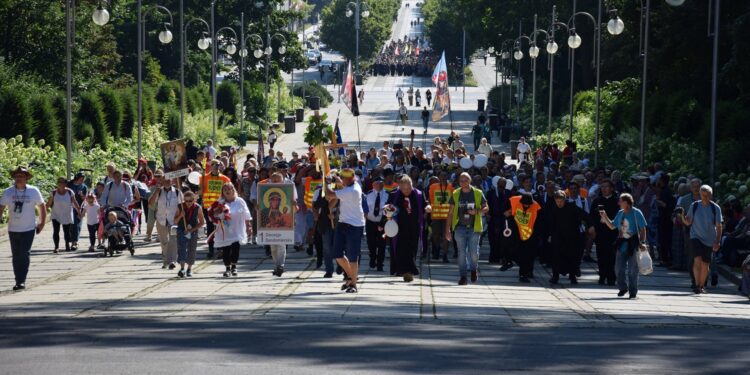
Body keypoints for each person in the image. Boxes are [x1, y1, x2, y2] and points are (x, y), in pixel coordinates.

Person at [0, 166, 46, 291]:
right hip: (13, 228)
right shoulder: (8, 192)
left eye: (22, 176)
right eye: (17, 176)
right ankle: (17, 279)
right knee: (16, 255)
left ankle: (22, 280)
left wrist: (41, 223)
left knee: (24, 254)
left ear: (26, 178)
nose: (19, 178)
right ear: (14, 177)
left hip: (28, 228)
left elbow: (42, 206)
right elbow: (1, 208)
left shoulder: (33, 191)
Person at [599, 193, 648, 299]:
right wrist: (605, 216)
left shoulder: (636, 212)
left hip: (633, 244)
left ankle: (633, 291)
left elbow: (643, 229)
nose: (618, 203)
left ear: (626, 202)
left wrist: (642, 242)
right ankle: (623, 287)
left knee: (632, 269)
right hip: (621, 243)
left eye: (620, 201)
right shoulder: (620, 212)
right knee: (618, 268)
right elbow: (612, 226)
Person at [325, 168, 365, 293]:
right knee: (337, 254)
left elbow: (328, 195)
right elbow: (342, 185)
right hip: (343, 223)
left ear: (349, 179)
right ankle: (351, 276)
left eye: (343, 178)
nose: (341, 180)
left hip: (355, 225)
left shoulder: (351, 190)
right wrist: (337, 180)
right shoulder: (353, 184)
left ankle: (353, 284)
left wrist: (326, 183)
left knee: (353, 256)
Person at [677, 185, 722, 294]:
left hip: (709, 239)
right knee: (697, 259)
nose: (705, 198)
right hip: (695, 236)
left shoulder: (715, 208)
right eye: (703, 195)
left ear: (710, 195)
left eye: (707, 195)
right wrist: (682, 215)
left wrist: (717, 241)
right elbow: (688, 222)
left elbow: (719, 226)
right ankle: (697, 285)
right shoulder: (695, 205)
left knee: (705, 263)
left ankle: (702, 285)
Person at [384, 175, 429, 282]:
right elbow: (387, 209)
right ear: (399, 186)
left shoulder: (418, 194)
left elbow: (425, 205)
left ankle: (406, 270)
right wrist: (386, 216)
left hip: (414, 226)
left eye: (408, 189)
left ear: (412, 186)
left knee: (412, 248)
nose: (406, 191)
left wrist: (428, 208)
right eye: (404, 189)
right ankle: (407, 271)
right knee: (401, 249)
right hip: (398, 226)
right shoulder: (394, 195)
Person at [445, 172, 488, 285]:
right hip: (460, 228)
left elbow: (486, 208)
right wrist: (447, 230)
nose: (463, 182)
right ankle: (463, 276)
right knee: (461, 253)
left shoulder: (478, 193)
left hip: (474, 228)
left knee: (474, 253)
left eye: (465, 180)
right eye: (461, 180)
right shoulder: (455, 193)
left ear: (470, 181)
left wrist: (477, 211)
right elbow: (450, 213)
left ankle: (474, 269)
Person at [547, 190, 587, 285]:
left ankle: (572, 276)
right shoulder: (553, 209)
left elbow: (584, 215)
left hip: (571, 236)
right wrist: (549, 235)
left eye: (561, 201)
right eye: (557, 201)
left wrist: (591, 226)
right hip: (557, 236)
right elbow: (550, 223)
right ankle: (555, 276)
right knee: (556, 257)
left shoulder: (572, 207)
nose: (559, 203)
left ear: (565, 200)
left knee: (572, 256)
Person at [213, 183, 253, 278]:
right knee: (226, 249)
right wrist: (217, 214)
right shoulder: (220, 202)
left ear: (233, 190)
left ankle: (234, 266)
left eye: (229, 189)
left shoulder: (240, 201)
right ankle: (227, 268)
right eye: (225, 189)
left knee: (235, 248)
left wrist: (249, 226)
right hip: (225, 231)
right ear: (222, 192)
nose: (227, 191)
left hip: (237, 229)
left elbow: (246, 213)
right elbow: (214, 215)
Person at [148, 175, 183, 269]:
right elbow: (150, 203)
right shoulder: (159, 192)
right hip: (161, 219)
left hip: (173, 220)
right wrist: (156, 191)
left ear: (172, 181)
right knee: (164, 241)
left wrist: (179, 218)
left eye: (169, 180)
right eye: (165, 180)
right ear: (162, 181)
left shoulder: (177, 192)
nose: (167, 182)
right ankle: (165, 260)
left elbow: (182, 207)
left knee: (173, 240)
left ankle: (173, 261)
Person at [590, 179, 619, 285]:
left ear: (611, 188)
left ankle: (611, 277)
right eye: (602, 187)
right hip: (600, 232)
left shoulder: (617, 201)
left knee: (612, 255)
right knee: (601, 254)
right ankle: (602, 275)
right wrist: (593, 226)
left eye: (606, 187)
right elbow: (592, 215)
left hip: (613, 232)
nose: (604, 189)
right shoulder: (597, 201)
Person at [508, 192, 542, 282]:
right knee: (517, 253)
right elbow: (509, 213)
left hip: (530, 235)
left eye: (528, 204)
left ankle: (524, 274)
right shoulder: (515, 202)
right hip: (517, 233)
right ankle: (523, 269)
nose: (526, 205)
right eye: (525, 204)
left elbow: (539, 221)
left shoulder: (536, 207)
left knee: (528, 255)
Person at [200, 160, 231, 258]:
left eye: (218, 165)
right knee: (210, 228)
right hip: (208, 207)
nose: (216, 166)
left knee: (220, 228)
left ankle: (220, 249)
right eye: (214, 165)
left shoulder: (225, 179)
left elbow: (228, 192)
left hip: (220, 207)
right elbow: (201, 192)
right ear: (210, 166)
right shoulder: (204, 178)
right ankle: (211, 250)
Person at [174, 191, 205, 278]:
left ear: (194, 200)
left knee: (192, 249)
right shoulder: (180, 207)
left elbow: (202, 222)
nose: (188, 203)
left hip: (193, 231)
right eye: (186, 201)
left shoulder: (197, 208)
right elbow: (175, 221)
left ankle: (189, 269)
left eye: (190, 201)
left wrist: (191, 230)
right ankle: (182, 269)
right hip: (181, 230)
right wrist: (180, 215)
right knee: (182, 248)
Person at [48, 177, 80, 253]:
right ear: (57, 183)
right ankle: (56, 247)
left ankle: (67, 245)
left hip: (67, 214)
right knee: (56, 231)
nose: (61, 184)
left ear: (66, 184)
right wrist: (43, 211)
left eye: (63, 182)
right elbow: (49, 203)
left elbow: (74, 202)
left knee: (67, 231)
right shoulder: (53, 193)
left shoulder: (70, 192)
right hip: (56, 214)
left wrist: (79, 211)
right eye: (60, 182)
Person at [428, 171, 453, 263]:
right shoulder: (433, 187)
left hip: (447, 217)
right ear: (438, 177)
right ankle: (437, 250)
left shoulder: (451, 187)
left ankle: (445, 255)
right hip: (436, 216)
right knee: (435, 236)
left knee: (446, 236)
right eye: (441, 175)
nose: (443, 177)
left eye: (445, 175)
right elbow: (430, 200)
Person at [364, 177, 388, 271]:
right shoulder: (368, 194)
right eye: (377, 183)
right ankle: (372, 258)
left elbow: (388, 209)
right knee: (371, 243)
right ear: (373, 185)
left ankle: (380, 264)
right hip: (370, 222)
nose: (379, 185)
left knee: (382, 244)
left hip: (382, 222)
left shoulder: (387, 195)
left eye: (381, 183)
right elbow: (365, 208)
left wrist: (383, 223)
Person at [68, 172, 88, 251]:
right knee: (71, 225)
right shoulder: (70, 185)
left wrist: (82, 195)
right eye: (81, 178)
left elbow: (86, 199)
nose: (82, 180)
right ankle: (71, 240)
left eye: (83, 179)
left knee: (77, 225)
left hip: (80, 208)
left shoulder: (84, 187)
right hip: (70, 207)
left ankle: (75, 242)